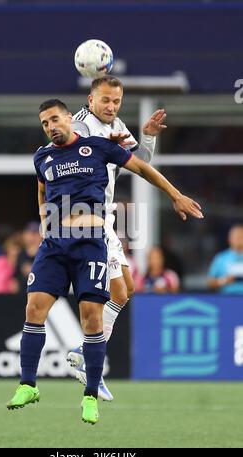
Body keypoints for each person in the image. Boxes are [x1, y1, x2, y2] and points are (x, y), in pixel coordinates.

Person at [6, 99, 203, 424]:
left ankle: (90, 395)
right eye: (44, 123)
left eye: (54, 119)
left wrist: (175, 194)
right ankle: (28, 384)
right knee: (33, 309)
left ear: (69, 118)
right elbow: (41, 190)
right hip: (54, 245)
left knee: (92, 319)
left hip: (90, 245)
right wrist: (43, 217)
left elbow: (142, 168)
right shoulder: (42, 157)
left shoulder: (98, 147)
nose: (51, 126)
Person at [67, 75, 167, 399]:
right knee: (115, 291)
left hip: (106, 219)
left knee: (127, 291)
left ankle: (84, 352)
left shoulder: (116, 123)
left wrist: (147, 138)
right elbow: (67, 162)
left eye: (116, 101)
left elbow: (140, 165)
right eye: (105, 100)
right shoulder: (79, 128)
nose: (111, 106)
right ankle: (88, 360)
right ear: (90, 99)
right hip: (86, 219)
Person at [208, 225, 243, 294]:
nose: (239, 240)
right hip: (226, 299)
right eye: (237, 237)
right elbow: (210, 282)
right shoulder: (221, 258)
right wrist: (224, 280)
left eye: (241, 236)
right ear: (230, 239)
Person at [15, 222, 42, 292]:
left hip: (39, 293)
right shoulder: (21, 254)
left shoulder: (45, 254)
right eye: (30, 234)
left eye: (36, 234)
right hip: (22, 293)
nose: (32, 237)